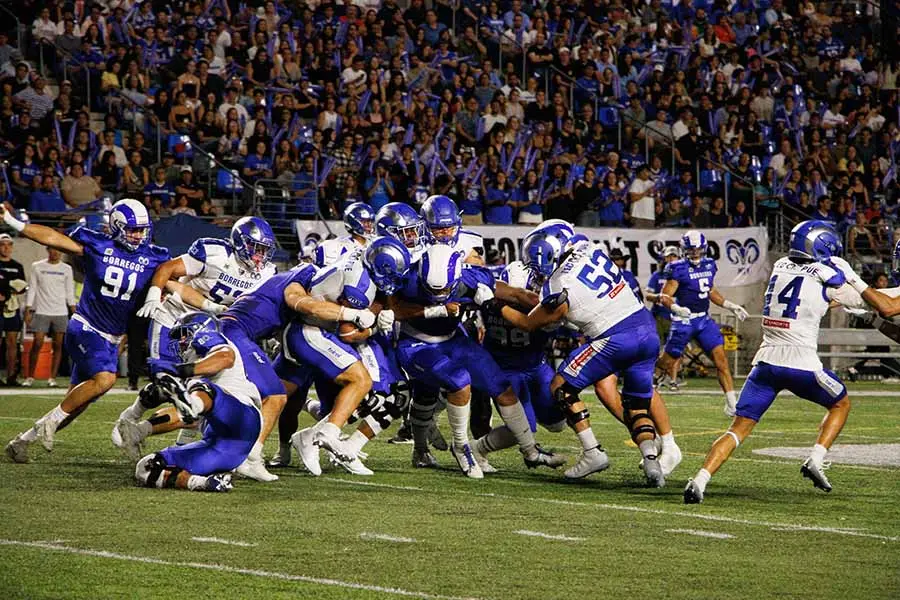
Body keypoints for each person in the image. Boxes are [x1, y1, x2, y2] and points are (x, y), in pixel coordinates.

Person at [684, 221, 855, 503]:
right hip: (801, 364)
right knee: (841, 403)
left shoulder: (780, 267)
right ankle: (816, 457)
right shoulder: (826, 274)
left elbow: (807, 294)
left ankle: (700, 479)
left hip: (765, 363)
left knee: (737, 429)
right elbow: (843, 291)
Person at [5, 200, 170, 463]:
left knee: (76, 405)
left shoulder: (153, 257)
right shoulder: (98, 244)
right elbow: (53, 238)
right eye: (132, 229)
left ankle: (22, 442)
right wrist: (14, 223)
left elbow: (174, 276)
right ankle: (50, 422)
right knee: (105, 379)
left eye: (142, 230)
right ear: (116, 227)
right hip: (85, 327)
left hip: (111, 339)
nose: (138, 235)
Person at [496, 232, 666, 486]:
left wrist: (497, 305)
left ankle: (592, 451)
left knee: (560, 387)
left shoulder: (556, 285)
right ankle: (651, 461)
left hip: (616, 338)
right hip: (647, 330)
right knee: (636, 406)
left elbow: (528, 323)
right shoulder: (589, 250)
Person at [120, 217, 278, 480]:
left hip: (212, 329)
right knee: (168, 384)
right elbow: (168, 271)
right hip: (176, 320)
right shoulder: (214, 252)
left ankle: (170, 439)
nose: (260, 255)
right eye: (255, 247)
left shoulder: (266, 273)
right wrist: (154, 294)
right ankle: (130, 418)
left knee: (197, 396)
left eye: (264, 249)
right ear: (239, 242)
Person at [389, 243, 564, 478]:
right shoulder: (406, 277)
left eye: (444, 290)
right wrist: (433, 311)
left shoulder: (471, 276)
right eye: (433, 291)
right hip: (417, 342)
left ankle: (531, 451)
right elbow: (391, 310)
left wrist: (556, 308)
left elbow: (517, 294)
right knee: (459, 381)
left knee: (502, 387)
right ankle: (462, 446)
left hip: (453, 340)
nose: (439, 296)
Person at [280, 237, 413, 476]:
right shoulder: (359, 287)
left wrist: (379, 312)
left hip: (321, 331)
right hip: (313, 331)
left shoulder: (363, 264)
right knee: (365, 389)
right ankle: (322, 435)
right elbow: (349, 332)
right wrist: (375, 325)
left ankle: (323, 439)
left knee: (387, 396)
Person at [133, 312, 262, 493]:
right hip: (223, 448)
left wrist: (182, 370)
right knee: (146, 467)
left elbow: (226, 358)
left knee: (200, 385)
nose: (181, 341)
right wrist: (141, 429)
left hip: (242, 417)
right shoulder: (194, 364)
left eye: (184, 333)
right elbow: (188, 419)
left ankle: (193, 404)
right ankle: (203, 483)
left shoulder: (212, 340)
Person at [655, 231, 749, 414]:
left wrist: (730, 305)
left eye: (698, 249)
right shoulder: (677, 268)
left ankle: (732, 404)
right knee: (666, 363)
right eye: (691, 249)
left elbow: (710, 290)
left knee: (721, 360)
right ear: (685, 249)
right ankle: (649, 381)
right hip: (684, 320)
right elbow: (665, 296)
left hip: (703, 319)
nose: (695, 252)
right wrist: (676, 308)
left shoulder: (709, 264)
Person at [23, 248, 75, 387]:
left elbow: (69, 291)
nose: (55, 253)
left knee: (58, 345)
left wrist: (73, 310)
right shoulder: (37, 266)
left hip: (60, 311)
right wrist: (28, 309)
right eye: (53, 249)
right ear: (47, 250)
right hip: (42, 310)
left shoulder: (66, 268)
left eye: (58, 250)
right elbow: (32, 288)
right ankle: (29, 377)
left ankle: (52, 378)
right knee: (37, 343)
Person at [0, 233, 27, 386]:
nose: (6, 247)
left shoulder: (17, 266)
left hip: (12, 307)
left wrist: (17, 289)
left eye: (9, 244)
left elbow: (23, 286)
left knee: (12, 342)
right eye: (3, 244)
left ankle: (11, 376)